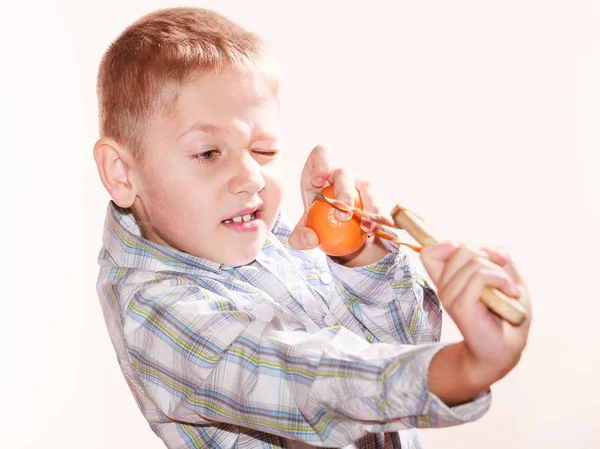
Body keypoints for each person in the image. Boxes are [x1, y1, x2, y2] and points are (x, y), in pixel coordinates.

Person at [93, 7, 532, 449]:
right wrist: (469, 366)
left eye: (263, 150)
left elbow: (401, 349)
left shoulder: (271, 235)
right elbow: (310, 383)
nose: (251, 178)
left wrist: (359, 255)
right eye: (208, 153)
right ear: (122, 173)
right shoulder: (152, 309)